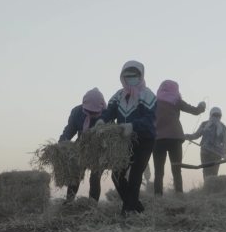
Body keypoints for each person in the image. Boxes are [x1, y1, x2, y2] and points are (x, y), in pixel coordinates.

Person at [99, 60, 156, 215]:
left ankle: (128, 211)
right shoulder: (118, 95)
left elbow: (150, 119)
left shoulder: (148, 95)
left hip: (144, 140)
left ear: (141, 75)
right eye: (127, 75)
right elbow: (109, 110)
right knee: (117, 175)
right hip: (124, 141)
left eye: (134, 75)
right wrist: (102, 120)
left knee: (136, 174)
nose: (130, 78)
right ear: (122, 77)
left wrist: (133, 126)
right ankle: (136, 206)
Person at [152, 80, 206, 195]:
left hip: (158, 139)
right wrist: (202, 106)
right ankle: (179, 194)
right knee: (176, 169)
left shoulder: (154, 102)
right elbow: (195, 111)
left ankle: (157, 196)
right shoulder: (176, 101)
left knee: (158, 171)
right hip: (175, 138)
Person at [59, 87, 106, 203]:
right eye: (89, 111)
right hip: (81, 146)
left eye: (94, 112)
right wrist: (61, 144)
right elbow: (69, 130)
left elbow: (110, 135)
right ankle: (69, 202)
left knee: (95, 178)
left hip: (99, 148)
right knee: (75, 175)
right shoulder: (76, 112)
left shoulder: (106, 113)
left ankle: (92, 205)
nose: (92, 114)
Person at [185, 107, 226, 179]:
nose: (216, 117)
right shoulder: (204, 124)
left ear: (220, 116)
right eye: (214, 115)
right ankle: (207, 187)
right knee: (206, 172)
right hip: (205, 152)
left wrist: (224, 154)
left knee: (214, 173)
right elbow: (196, 135)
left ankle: (212, 188)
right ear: (211, 115)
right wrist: (188, 136)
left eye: (218, 115)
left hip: (216, 154)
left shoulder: (223, 128)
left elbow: (225, 142)